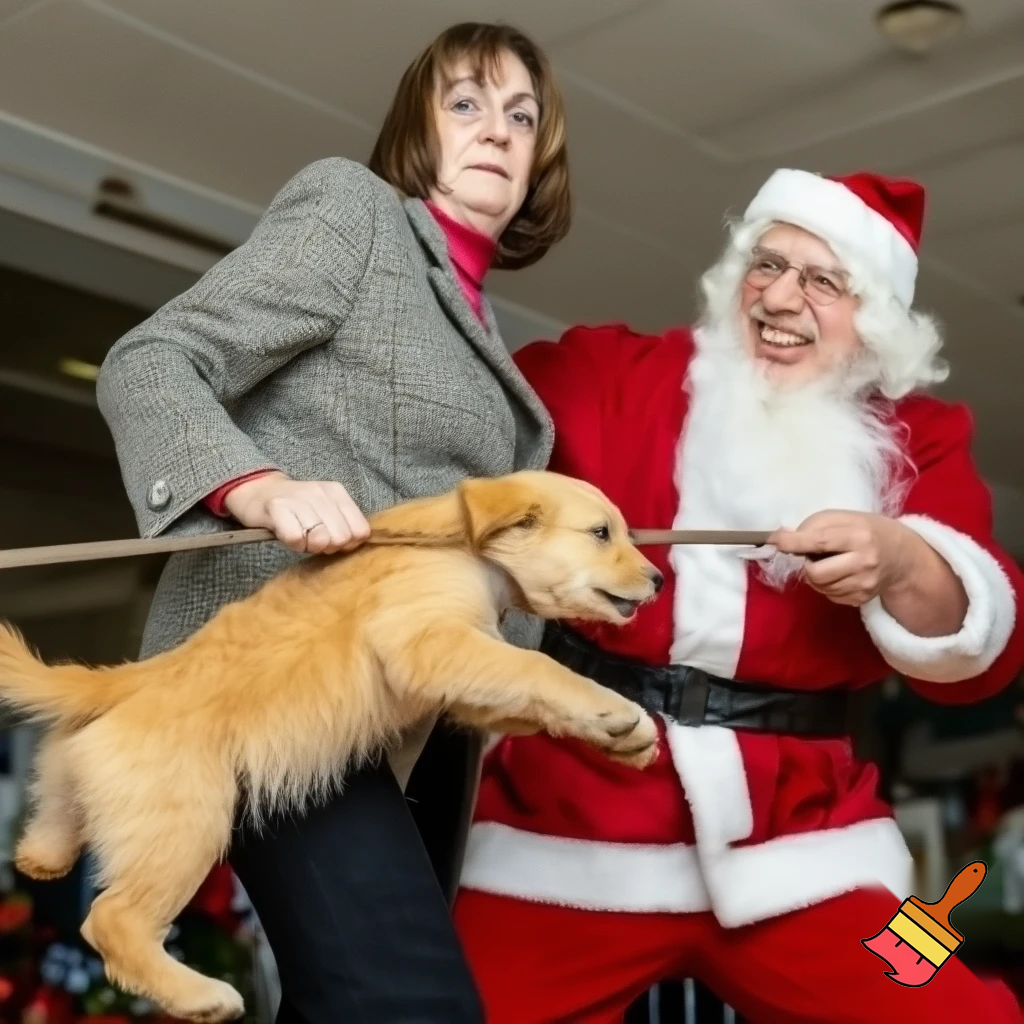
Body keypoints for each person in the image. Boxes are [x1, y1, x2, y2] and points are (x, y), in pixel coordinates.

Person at [452, 169, 1024, 1023]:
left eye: (824, 281)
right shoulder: (607, 370)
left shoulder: (923, 441)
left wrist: (903, 561)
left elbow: (984, 655)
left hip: (810, 845)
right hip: (569, 827)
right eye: (769, 264)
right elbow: (448, 416)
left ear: (875, 327)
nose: (782, 296)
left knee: (961, 1015)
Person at [95, 22, 570, 1024]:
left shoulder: (495, 350)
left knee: (350, 1003)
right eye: (467, 103)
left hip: (421, 722)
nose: (498, 131)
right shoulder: (355, 214)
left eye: (521, 116)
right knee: (410, 1003)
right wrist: (259, 486)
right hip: (280, 680)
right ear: (419, 127)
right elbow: (151, 361)